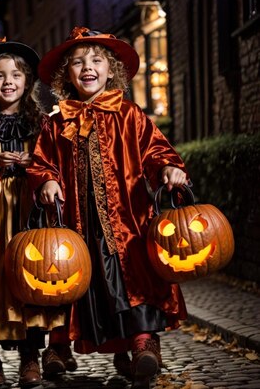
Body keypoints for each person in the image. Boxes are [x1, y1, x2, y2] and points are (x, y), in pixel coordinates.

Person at [28, 26, 189, 389]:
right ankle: (58, 344)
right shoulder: (57, 123)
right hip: (75, 220)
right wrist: (46, 179)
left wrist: (168, 167)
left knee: (134, 275)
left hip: (126, 217)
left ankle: (143, 343)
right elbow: (41, 162)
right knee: (72, 277)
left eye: (96, 60)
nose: (88, 67)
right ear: (66, 74)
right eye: (79, 61)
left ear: (110, 69)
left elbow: (154, 149)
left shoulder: (129, 114)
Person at [0, 36, 74, 388]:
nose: (8, 81)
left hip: (30, 210)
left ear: (27, 81)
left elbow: (59, 167)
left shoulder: (43, 122)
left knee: (32, 279)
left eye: (16, 74)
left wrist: (37, 166)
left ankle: (31, 359)